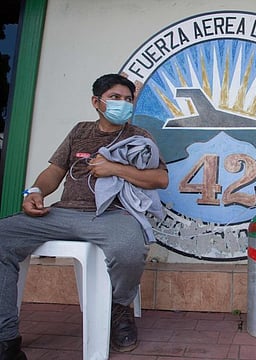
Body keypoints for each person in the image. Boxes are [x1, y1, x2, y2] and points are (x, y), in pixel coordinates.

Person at [0, 73, 169, 359]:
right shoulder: (79, 131)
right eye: (115, 98)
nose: (122, 104)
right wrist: (35, 191)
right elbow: (54, 171)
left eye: (128, 99)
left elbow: (160, 179)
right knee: (3, 237)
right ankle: (6, 339)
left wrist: (115, 168)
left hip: (113, 215)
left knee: (129, 248)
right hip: (65, 213)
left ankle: (119, 307)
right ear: (96, 102)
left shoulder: (139, 136)